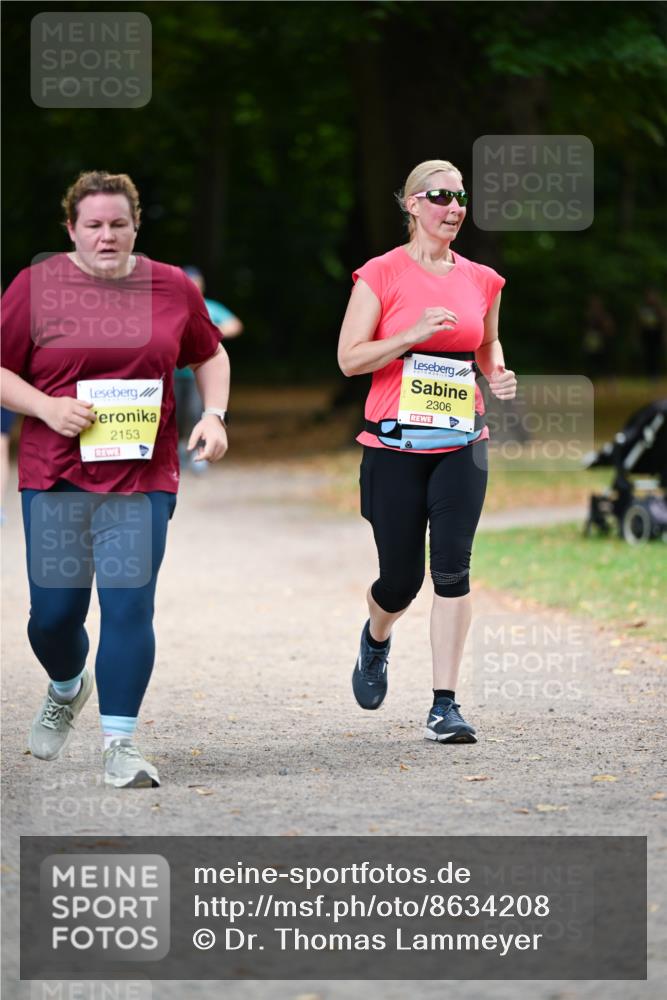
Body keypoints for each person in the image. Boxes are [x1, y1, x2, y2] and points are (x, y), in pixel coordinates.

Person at [0, 170, 230, 787]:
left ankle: (120, 745)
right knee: (52, 616)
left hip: (141, 476)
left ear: (135, 227)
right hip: (56, 474)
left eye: (119, 224)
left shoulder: (170, 286)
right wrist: (48, 408)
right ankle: (67, 684)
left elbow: (209, 353)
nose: (108, 236)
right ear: (71, 228)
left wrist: (214, 414)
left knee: (129, 605)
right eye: (94, 225)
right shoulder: (37, 287)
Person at [337, 159, 517, 744]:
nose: (454, 206)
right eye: (440, 195)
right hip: (394, 447)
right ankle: (377, 637)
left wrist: (498, 373)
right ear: (412, 204)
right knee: (400, 581)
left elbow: (486, 344)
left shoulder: (482, 280)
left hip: (462, 443)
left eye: (460, 196)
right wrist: (410, 336)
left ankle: (445, 705)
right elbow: (349, 359)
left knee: (453, 572)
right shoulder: (380, 275)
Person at [174, 266, 242, 472]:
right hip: (173, 373)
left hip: (200, 374)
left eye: (197, 282)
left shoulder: (210, 307)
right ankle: (178, 451)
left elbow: (235, 325)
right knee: (175, 414)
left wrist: (207, 334)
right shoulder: (172, 307)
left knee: (196, 411)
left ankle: (199, 452)